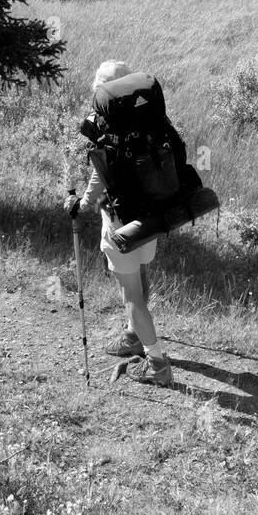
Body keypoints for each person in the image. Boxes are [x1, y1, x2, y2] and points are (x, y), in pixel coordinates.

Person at [63, 59, 183, 389]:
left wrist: (81, 205)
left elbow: (98, 179)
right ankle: (132, 336)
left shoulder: (108, 132)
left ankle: (157, 363)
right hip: (151, 218)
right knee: (142, 276)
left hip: (119, 224)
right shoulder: (150, 120)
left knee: (132, 297)